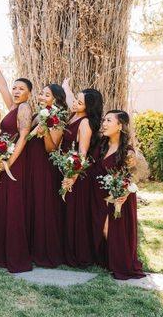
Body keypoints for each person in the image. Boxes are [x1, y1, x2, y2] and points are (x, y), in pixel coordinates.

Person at [90, 110, 146, 280]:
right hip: (99, 196)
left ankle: (120, 263)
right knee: (102, 227)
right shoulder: (102, 146)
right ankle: (109, 259)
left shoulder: (128, 152)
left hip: (119, 198)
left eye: (109, 120)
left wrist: (123, 194)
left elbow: (132, 178)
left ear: (120, 126)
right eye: (104, 120)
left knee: (110, 228)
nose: (104, 124)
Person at [0, 51, 33, 273]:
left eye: (21, 89)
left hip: (14, 164)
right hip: (4, 161)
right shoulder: (14, 106)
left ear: (29, 94)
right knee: (5, 207)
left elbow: (23, 136)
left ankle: (15, 256)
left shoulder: (24, 108)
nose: (16, 91)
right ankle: (3, 253)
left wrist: (7, 164)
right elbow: (2, 87)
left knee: (14, 207)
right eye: (15, 88)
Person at [23, 84, 67, 268]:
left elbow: (52, 148)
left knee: (43, 206)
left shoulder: (56, 119)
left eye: (46, 94)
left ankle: (45, 251)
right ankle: (31, 249)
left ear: (55, 100)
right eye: (41, 93)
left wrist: (46, 132)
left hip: (44, 167)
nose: (41, 96)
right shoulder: (36, 115)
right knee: (31, 204)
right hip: (30, 165)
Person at [61, 81, 104, 267]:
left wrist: (72, 177)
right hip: (65, 168)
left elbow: (82, 153)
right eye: (76, 99)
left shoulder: (85, 122)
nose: (75, 103)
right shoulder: (74, 114)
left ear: (88, 107)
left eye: (80, 102)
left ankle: (78, 253)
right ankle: (65, 249)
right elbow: (71, 99)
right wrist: (66, 88)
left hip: (77, 174)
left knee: (74, 213)